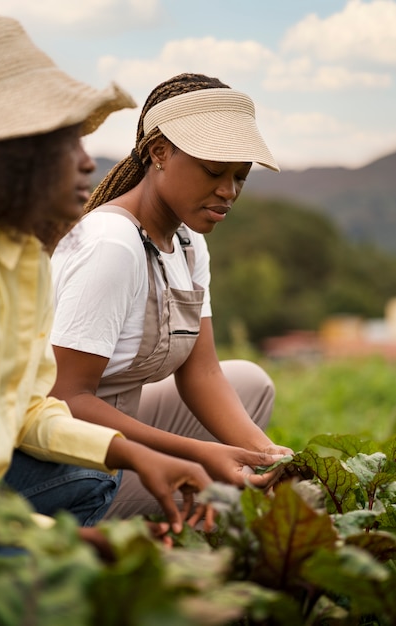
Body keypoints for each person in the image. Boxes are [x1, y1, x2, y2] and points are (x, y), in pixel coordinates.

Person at [0, 15, 232, 548]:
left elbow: (29, 411)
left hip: (2, 496)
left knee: (104, 464)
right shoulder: (98, 245)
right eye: (64, 144)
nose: (86, 163)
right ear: (6, 155)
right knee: (95, 476)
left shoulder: (19, 259)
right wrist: (86, 543)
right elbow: (66, 396)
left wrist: (132, 452)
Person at [49, 72, 293, 519]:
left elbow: (202, 373)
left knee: (251, 385)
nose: (229, 191)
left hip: (122, 427)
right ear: (159, 152)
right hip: (67, 456)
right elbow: (64, 398)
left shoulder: (186, 242)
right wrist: (199, 454)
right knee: (221, 490)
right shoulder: (112, 244)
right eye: (214, 171)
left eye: (241, 176)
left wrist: (267, 456)